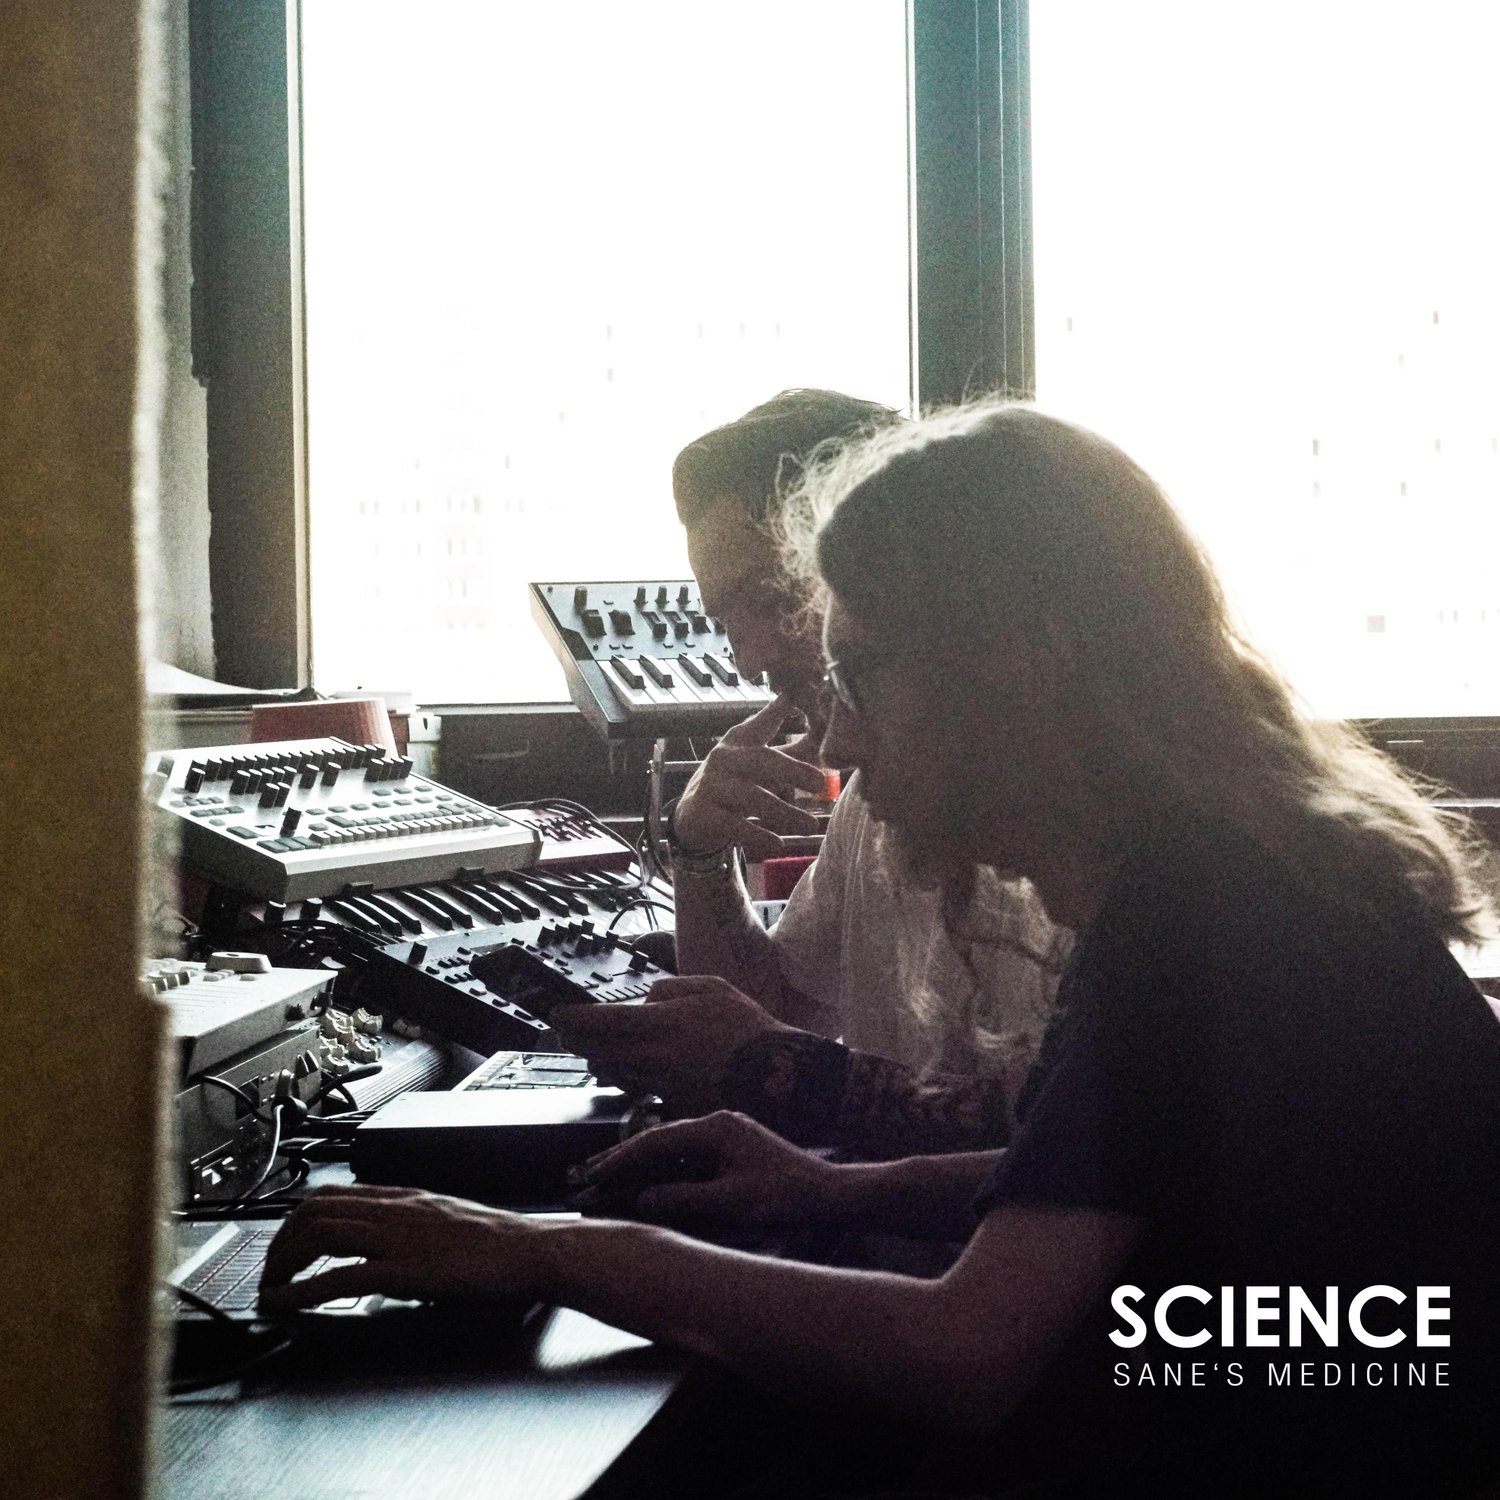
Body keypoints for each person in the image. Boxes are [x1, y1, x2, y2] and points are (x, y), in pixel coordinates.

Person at [263, 403, 1500, 1496]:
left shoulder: (1201, 919)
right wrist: (835, 1190)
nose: (838, 739)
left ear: (1023, 668)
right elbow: (1128, 1188)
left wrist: (545, 1250)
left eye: (861, 673)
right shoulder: (1225, 872)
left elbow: (966, 1355)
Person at [551, 390, 1068, 1154]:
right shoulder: (871, 794)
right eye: (724, 621)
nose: (747, 658)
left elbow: (1062, 1151)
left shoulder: (1079, 819)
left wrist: (821, 1181)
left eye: (768, 599)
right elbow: (774, 1020)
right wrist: (699, 851)